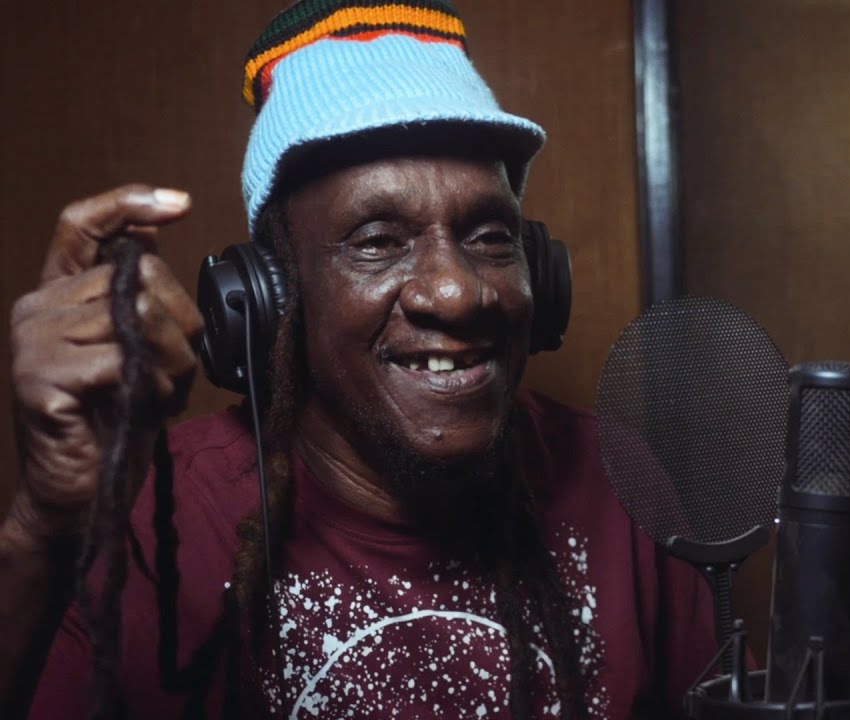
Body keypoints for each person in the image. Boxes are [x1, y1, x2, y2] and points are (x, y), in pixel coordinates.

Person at [2, 1, 718, 717]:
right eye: (377, 241)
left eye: (490, 236)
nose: (456, 291)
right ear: (273, 299)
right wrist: (43, 528)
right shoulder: (161, 519)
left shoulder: (618, 482)